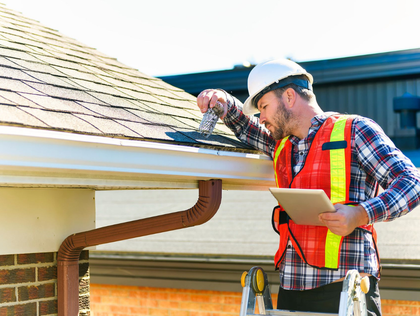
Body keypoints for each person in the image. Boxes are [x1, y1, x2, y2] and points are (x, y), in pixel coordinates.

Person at [196, 58, 420, 315]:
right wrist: (222, 101)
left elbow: (412, 183)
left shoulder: (356, 130)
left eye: (264, 106)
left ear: (289, 97)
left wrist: (360, 214)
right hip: (292, 289)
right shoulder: (281, 144)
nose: (262, 117)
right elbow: (246, 126)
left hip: (345, 291)